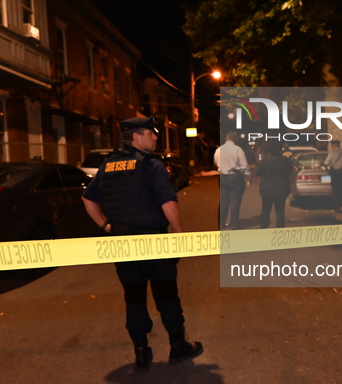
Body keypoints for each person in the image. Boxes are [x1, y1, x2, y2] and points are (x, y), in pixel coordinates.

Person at [81, 116, 202, 368]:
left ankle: (141, 351)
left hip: (123, 244)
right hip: (154, 243)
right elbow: (167, 202)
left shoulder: (109, 165)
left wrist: (105, 225)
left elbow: (88, 198)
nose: (156, 137)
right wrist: (180, 234)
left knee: (133, 297)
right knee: (167, 295)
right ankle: (178, 346)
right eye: (151, 133)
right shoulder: (151, 165)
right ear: (137, 136)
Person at [214, 131, 250, 229]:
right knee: (235, 201)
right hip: (235, 177)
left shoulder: (218, 150)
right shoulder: (238, 150)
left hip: (222, 178)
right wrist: (248, 177)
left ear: (226, 138)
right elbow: (244, 166)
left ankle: (221, 224)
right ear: (236, 139)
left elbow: (216, 163)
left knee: (224, 201)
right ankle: (234, 224)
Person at [257, 141, 293, 228]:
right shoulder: (285, 161)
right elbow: (289, 172)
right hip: (281, 189)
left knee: (265, 210)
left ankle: (264, 228)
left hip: (267, 189)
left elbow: (258, 173)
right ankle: (280, 229)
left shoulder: (265, 161)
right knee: (280, 210)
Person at [324, 140, 342, 213]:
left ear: (333, 146)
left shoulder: (332, 153)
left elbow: (326, 163)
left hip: (336, 173)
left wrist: (327, 169)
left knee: (336, 191)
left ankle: (338, 207)